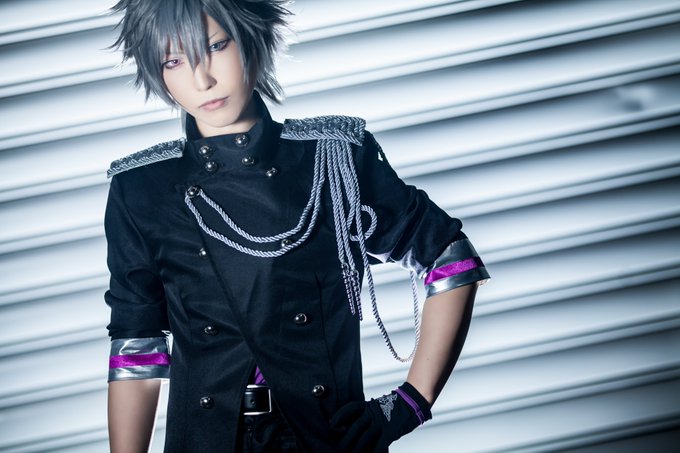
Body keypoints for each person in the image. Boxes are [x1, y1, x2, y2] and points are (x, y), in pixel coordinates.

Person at [105, 1, 490, 452]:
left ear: (253, 38)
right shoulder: (141, 188)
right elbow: (136, 345)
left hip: (325, 437)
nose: (202, 79)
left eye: (216, 46)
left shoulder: (333, 158)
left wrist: (409, 404)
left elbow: (449, 258)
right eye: (174, 62)